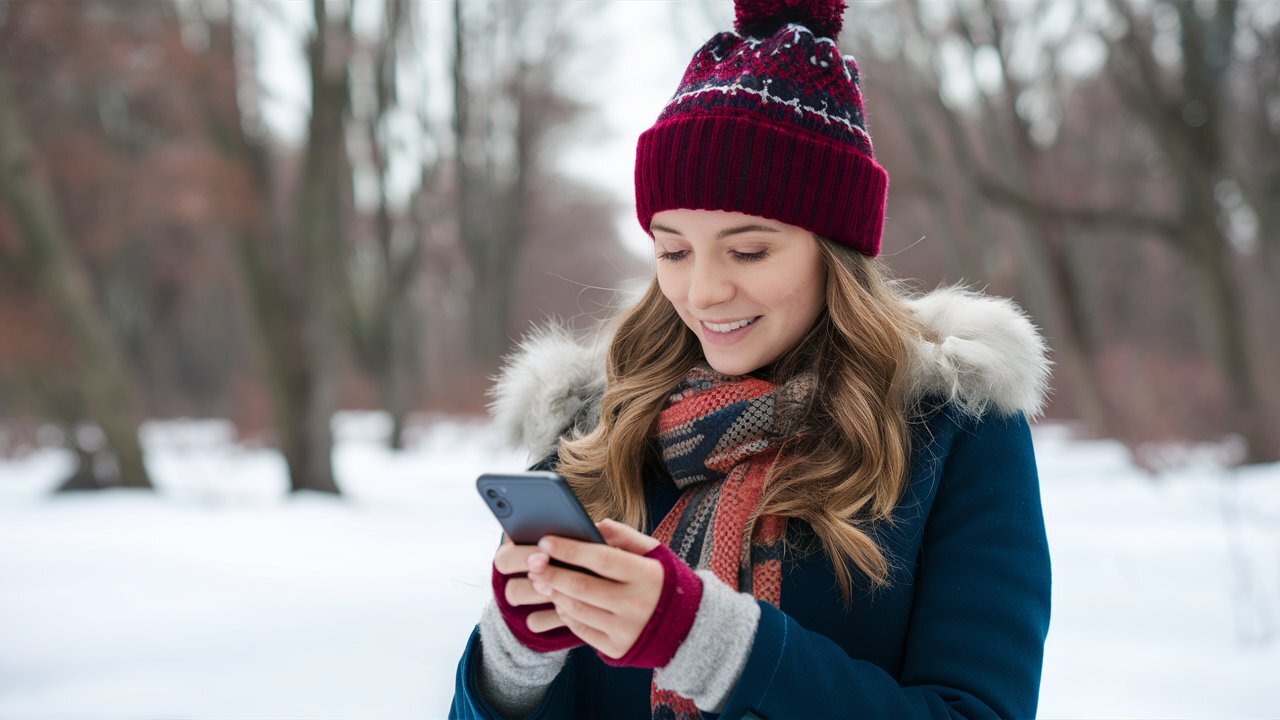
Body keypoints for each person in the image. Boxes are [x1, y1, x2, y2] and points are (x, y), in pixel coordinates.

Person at [450, 0, 1052, 717]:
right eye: (673, 251)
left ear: (835, 252)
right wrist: (515, 666)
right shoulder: (597, 430)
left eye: (748, 250)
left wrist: (707, 642)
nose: (703, 290)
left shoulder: (951, 433)